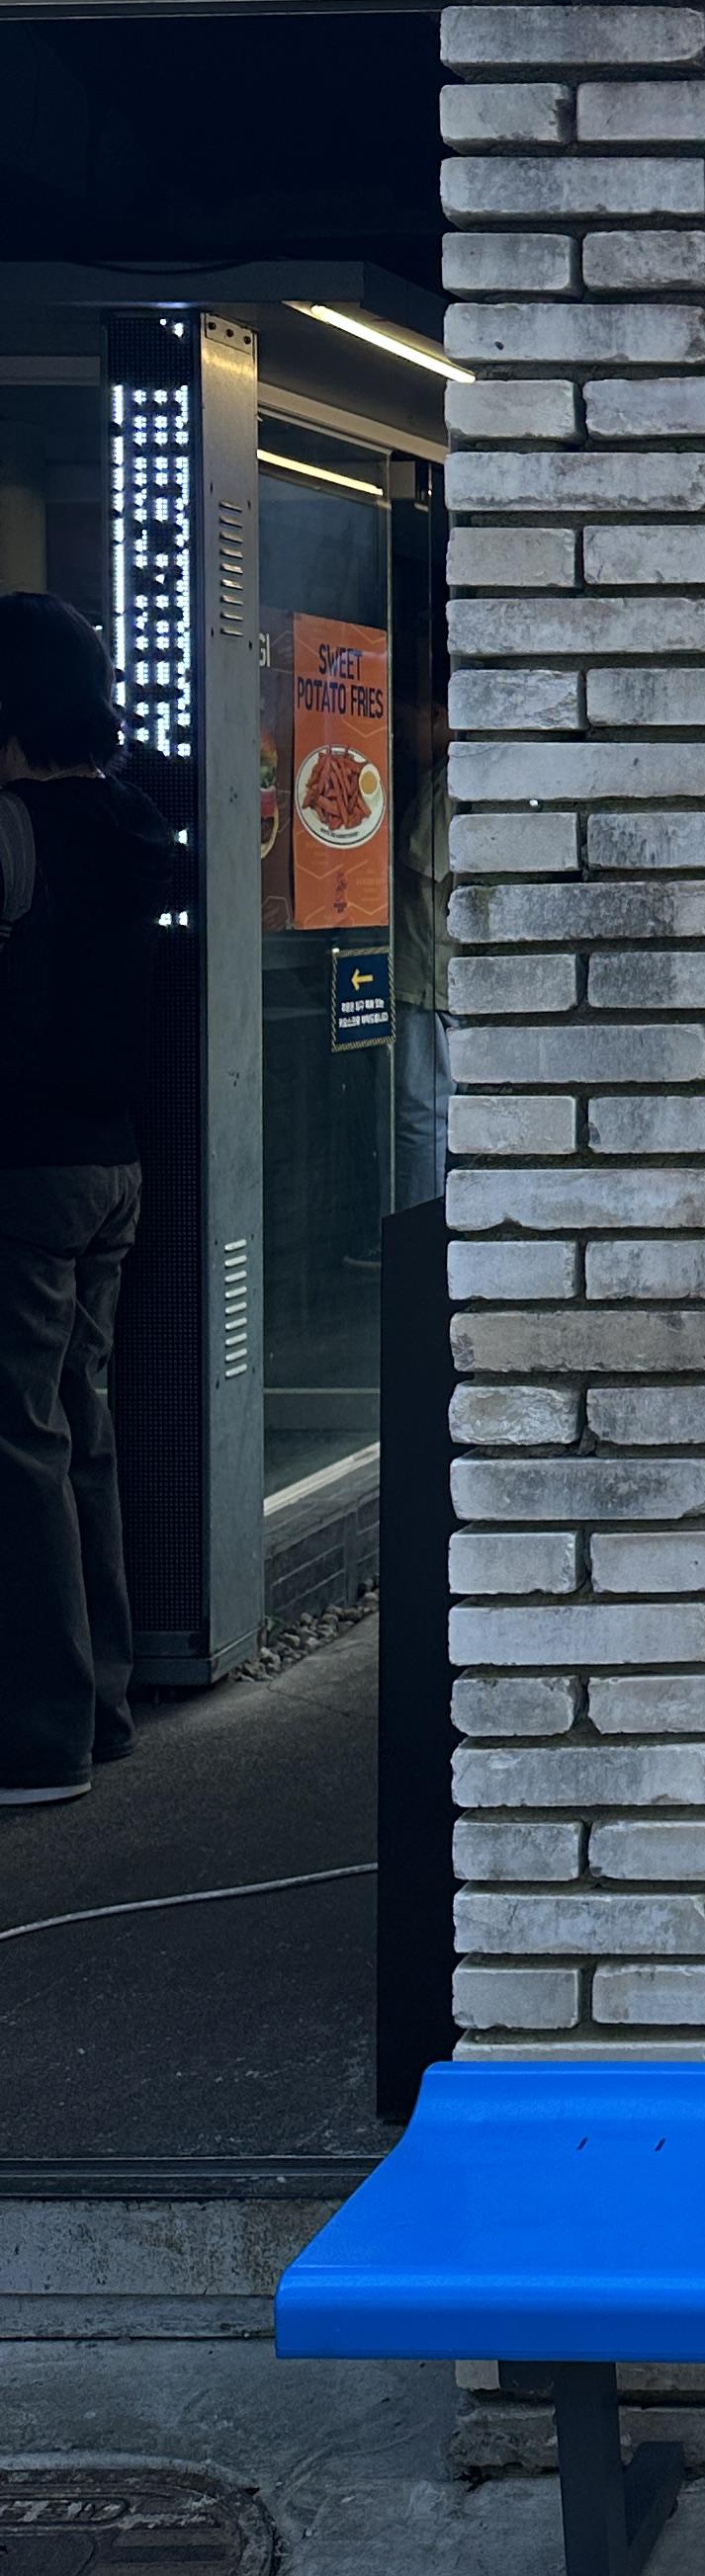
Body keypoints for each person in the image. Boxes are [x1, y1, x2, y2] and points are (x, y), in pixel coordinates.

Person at [0, 595, 191, 1806]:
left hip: (22, 1168)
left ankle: (40, 1739)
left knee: (21, 1445)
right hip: (114, 1165)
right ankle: (104, 1704)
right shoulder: (132, 818)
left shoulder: (16, 830)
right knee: (81, 1428)